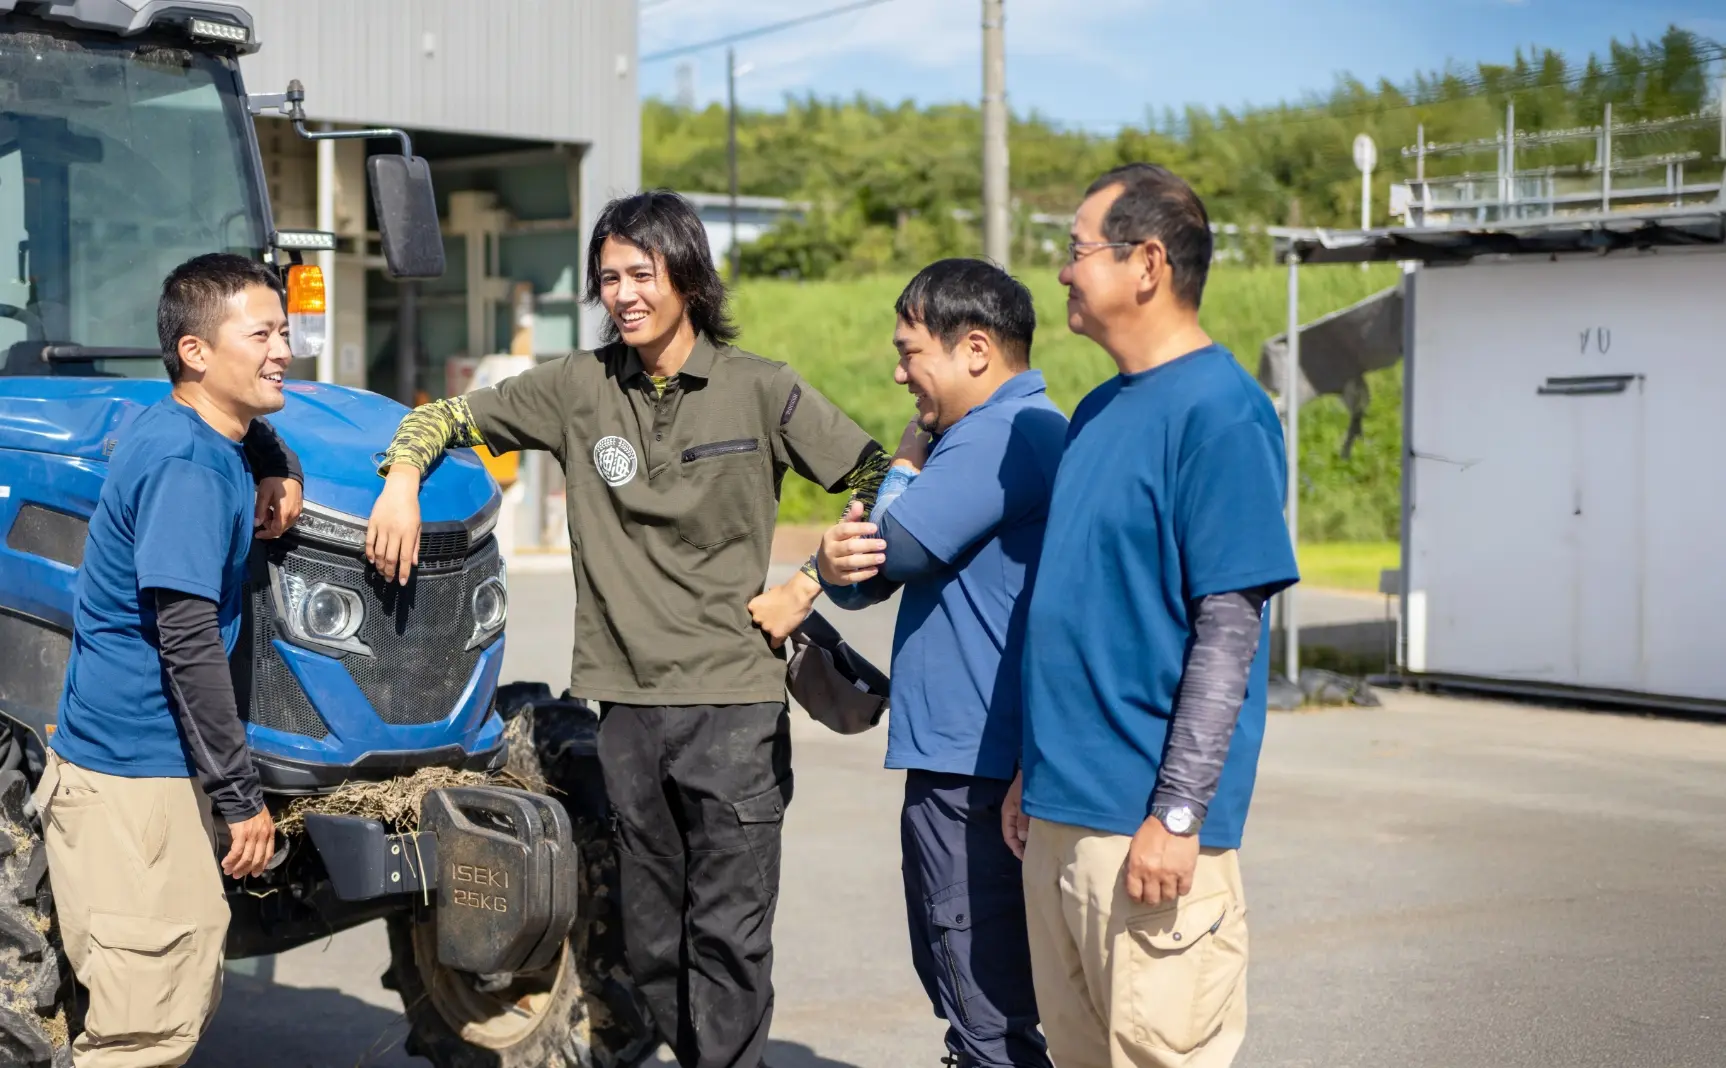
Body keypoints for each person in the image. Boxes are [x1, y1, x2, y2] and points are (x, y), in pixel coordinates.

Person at [364, 190, 887, 1068]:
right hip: (630, 711)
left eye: (640, 273)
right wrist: (401, 480)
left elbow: (879, 474)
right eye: (608, 277)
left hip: (735, 706)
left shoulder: (762, 389)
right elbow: (442, 416)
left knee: (728, 939)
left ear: (686, 273)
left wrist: (809, 581)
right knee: (651, 948)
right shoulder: (576, 388)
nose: (622, 293)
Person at [1005, 164, 1301, 1068]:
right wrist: (1033, 769)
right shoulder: (1097, 411)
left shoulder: (1221, 415)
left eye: (1076, 249)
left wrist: (1178, 814)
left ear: (1147, 263)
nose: (1060, 273)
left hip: (1145, 826)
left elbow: (1228, 633)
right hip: (1062, 814)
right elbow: (1087, 607)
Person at [34, 253, 303, 1067]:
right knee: (142, 1034)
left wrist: (275, 463)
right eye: (261, 334)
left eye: (284, 331)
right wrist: (240, 797)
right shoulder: (188, 469)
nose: (283, 350)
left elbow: (250, 425)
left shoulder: (190, 426)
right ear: (195, 353)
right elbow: (186, 645)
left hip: (136, 768)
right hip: (136, 783)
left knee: (168, 999)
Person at [815, 259, 1068, 1068]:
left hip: (975, 769)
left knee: (984, 1008)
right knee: (970, 989)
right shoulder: (996, 434)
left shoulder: (1001, 436)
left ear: (977, 350)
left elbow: (898, 547)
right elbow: (862, 582)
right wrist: (843, 563)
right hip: (964, 759)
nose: (899, 372)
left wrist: (906, 459)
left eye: (910, 351)